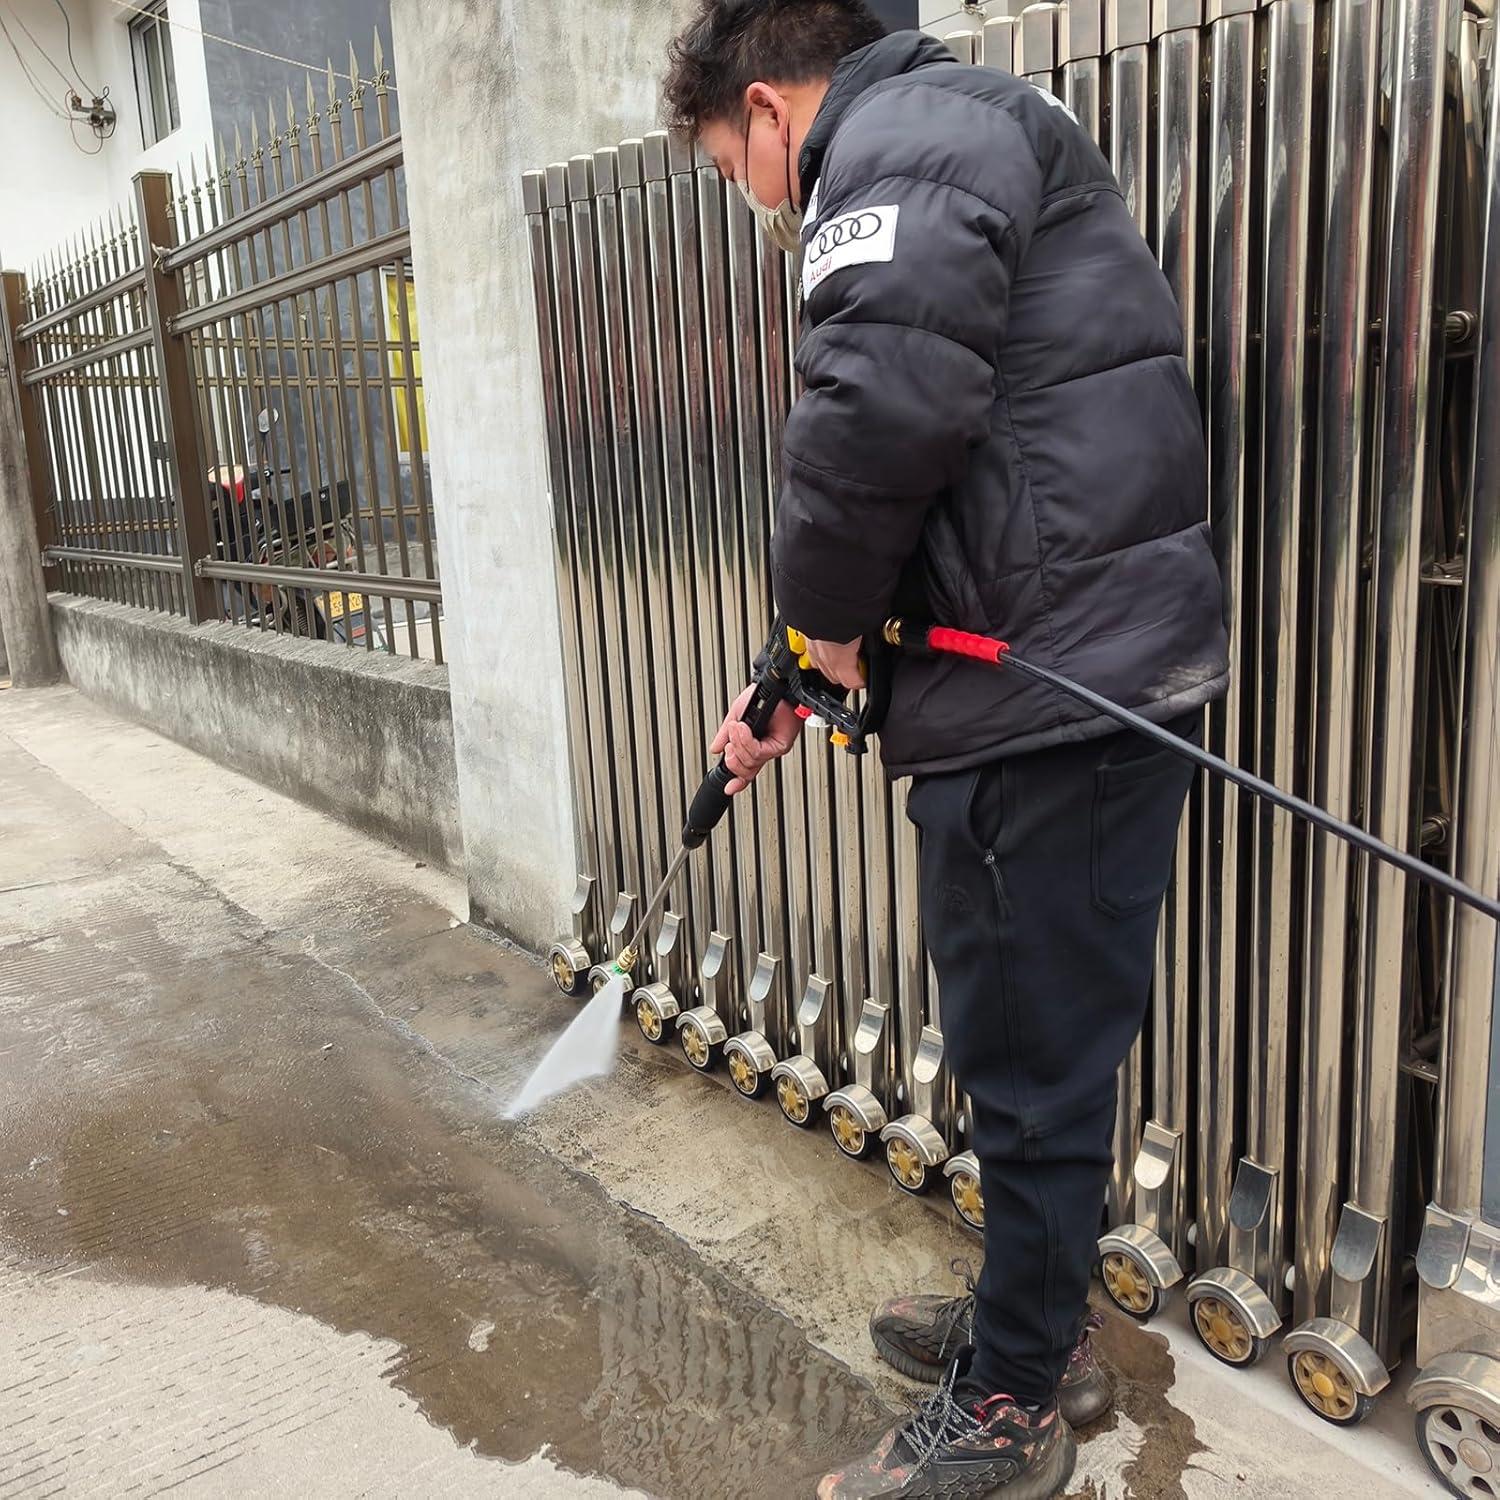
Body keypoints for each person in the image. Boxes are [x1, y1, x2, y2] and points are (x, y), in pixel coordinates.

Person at [663, 2, 1228, 1496]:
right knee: (1028, 1038)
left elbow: (877, 416)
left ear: (773, 108)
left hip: (1055, 698)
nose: (757, 200)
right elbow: (937, 473)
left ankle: (1017, 1405)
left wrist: (824, 620)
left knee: (1029, 1055)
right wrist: (783, 674)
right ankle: (1035, 1319)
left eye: (737, 169)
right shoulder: (956, 134)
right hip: (1059, 675)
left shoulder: (898, 152)